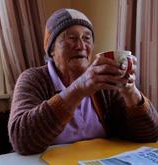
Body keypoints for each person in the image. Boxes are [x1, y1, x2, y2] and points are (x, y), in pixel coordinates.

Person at [8, 8, 158, 155]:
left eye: (86, 38)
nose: (80, 46)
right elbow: (22, 140)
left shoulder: (104, 84)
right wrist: (79, 88)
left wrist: (130, 91)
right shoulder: (33, 79)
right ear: (51, 49)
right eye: (71, 38)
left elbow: (150, 134)